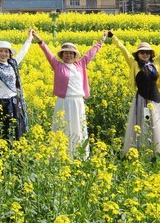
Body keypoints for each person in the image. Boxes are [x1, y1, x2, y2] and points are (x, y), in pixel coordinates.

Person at [31, 29, 110, 159]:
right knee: (63, 126)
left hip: (77, 101)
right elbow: (47, 51)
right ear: (62, 55)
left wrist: (103, 39)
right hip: (64, 101)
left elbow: (92, 52)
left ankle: (79, 155)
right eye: (66, 53)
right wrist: (38, 38)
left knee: (78, 127)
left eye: (71, 53)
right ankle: (61, 154)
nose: (68, 55)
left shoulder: (81, 64)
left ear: (75, 55)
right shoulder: (57, 65)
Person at [112, 30, 160, 155]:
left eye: (147, 52)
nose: (145, 54)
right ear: (138, 54)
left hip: (155, 100)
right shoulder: (134, 64)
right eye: (142, 52)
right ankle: (144, 148)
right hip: (142, 101)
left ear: (151, 54)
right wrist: (113, 37)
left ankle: (156, 150)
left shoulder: (155, 63)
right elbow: (123, 49)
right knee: (145, 122)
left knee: (156, 123)